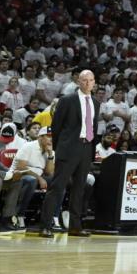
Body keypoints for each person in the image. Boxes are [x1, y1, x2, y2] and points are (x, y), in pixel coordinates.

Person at [38, 69, 100, 237]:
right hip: (68, 148)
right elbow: (56, 127)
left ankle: (75, 226)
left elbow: (93, 127)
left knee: (79, 189)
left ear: (94, 82)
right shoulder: (67, 100)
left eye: (91, 80)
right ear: (78, 82)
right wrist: (61, 147)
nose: (88, 83)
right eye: (84, 80)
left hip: (86, 148)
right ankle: (45, 225)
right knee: (57, 187)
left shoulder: (95, 102)